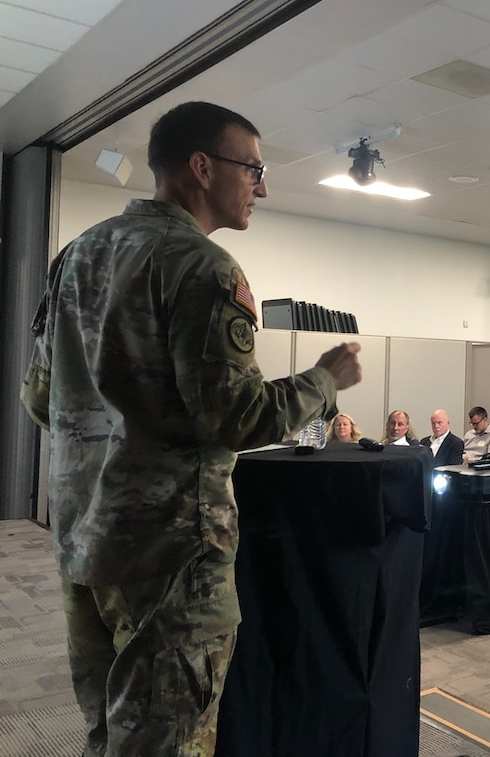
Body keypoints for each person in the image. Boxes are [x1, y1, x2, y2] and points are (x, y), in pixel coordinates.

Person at [19, 101, 363, 756]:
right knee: (166, 739)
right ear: (202, 168)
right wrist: (324, 381)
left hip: (82, 540)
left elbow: (40, 401)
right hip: (170, 554)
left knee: (108, 729)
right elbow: (236, 418)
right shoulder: (203, 268)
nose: (260, 187)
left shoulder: (77, 256)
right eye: (253, 169)